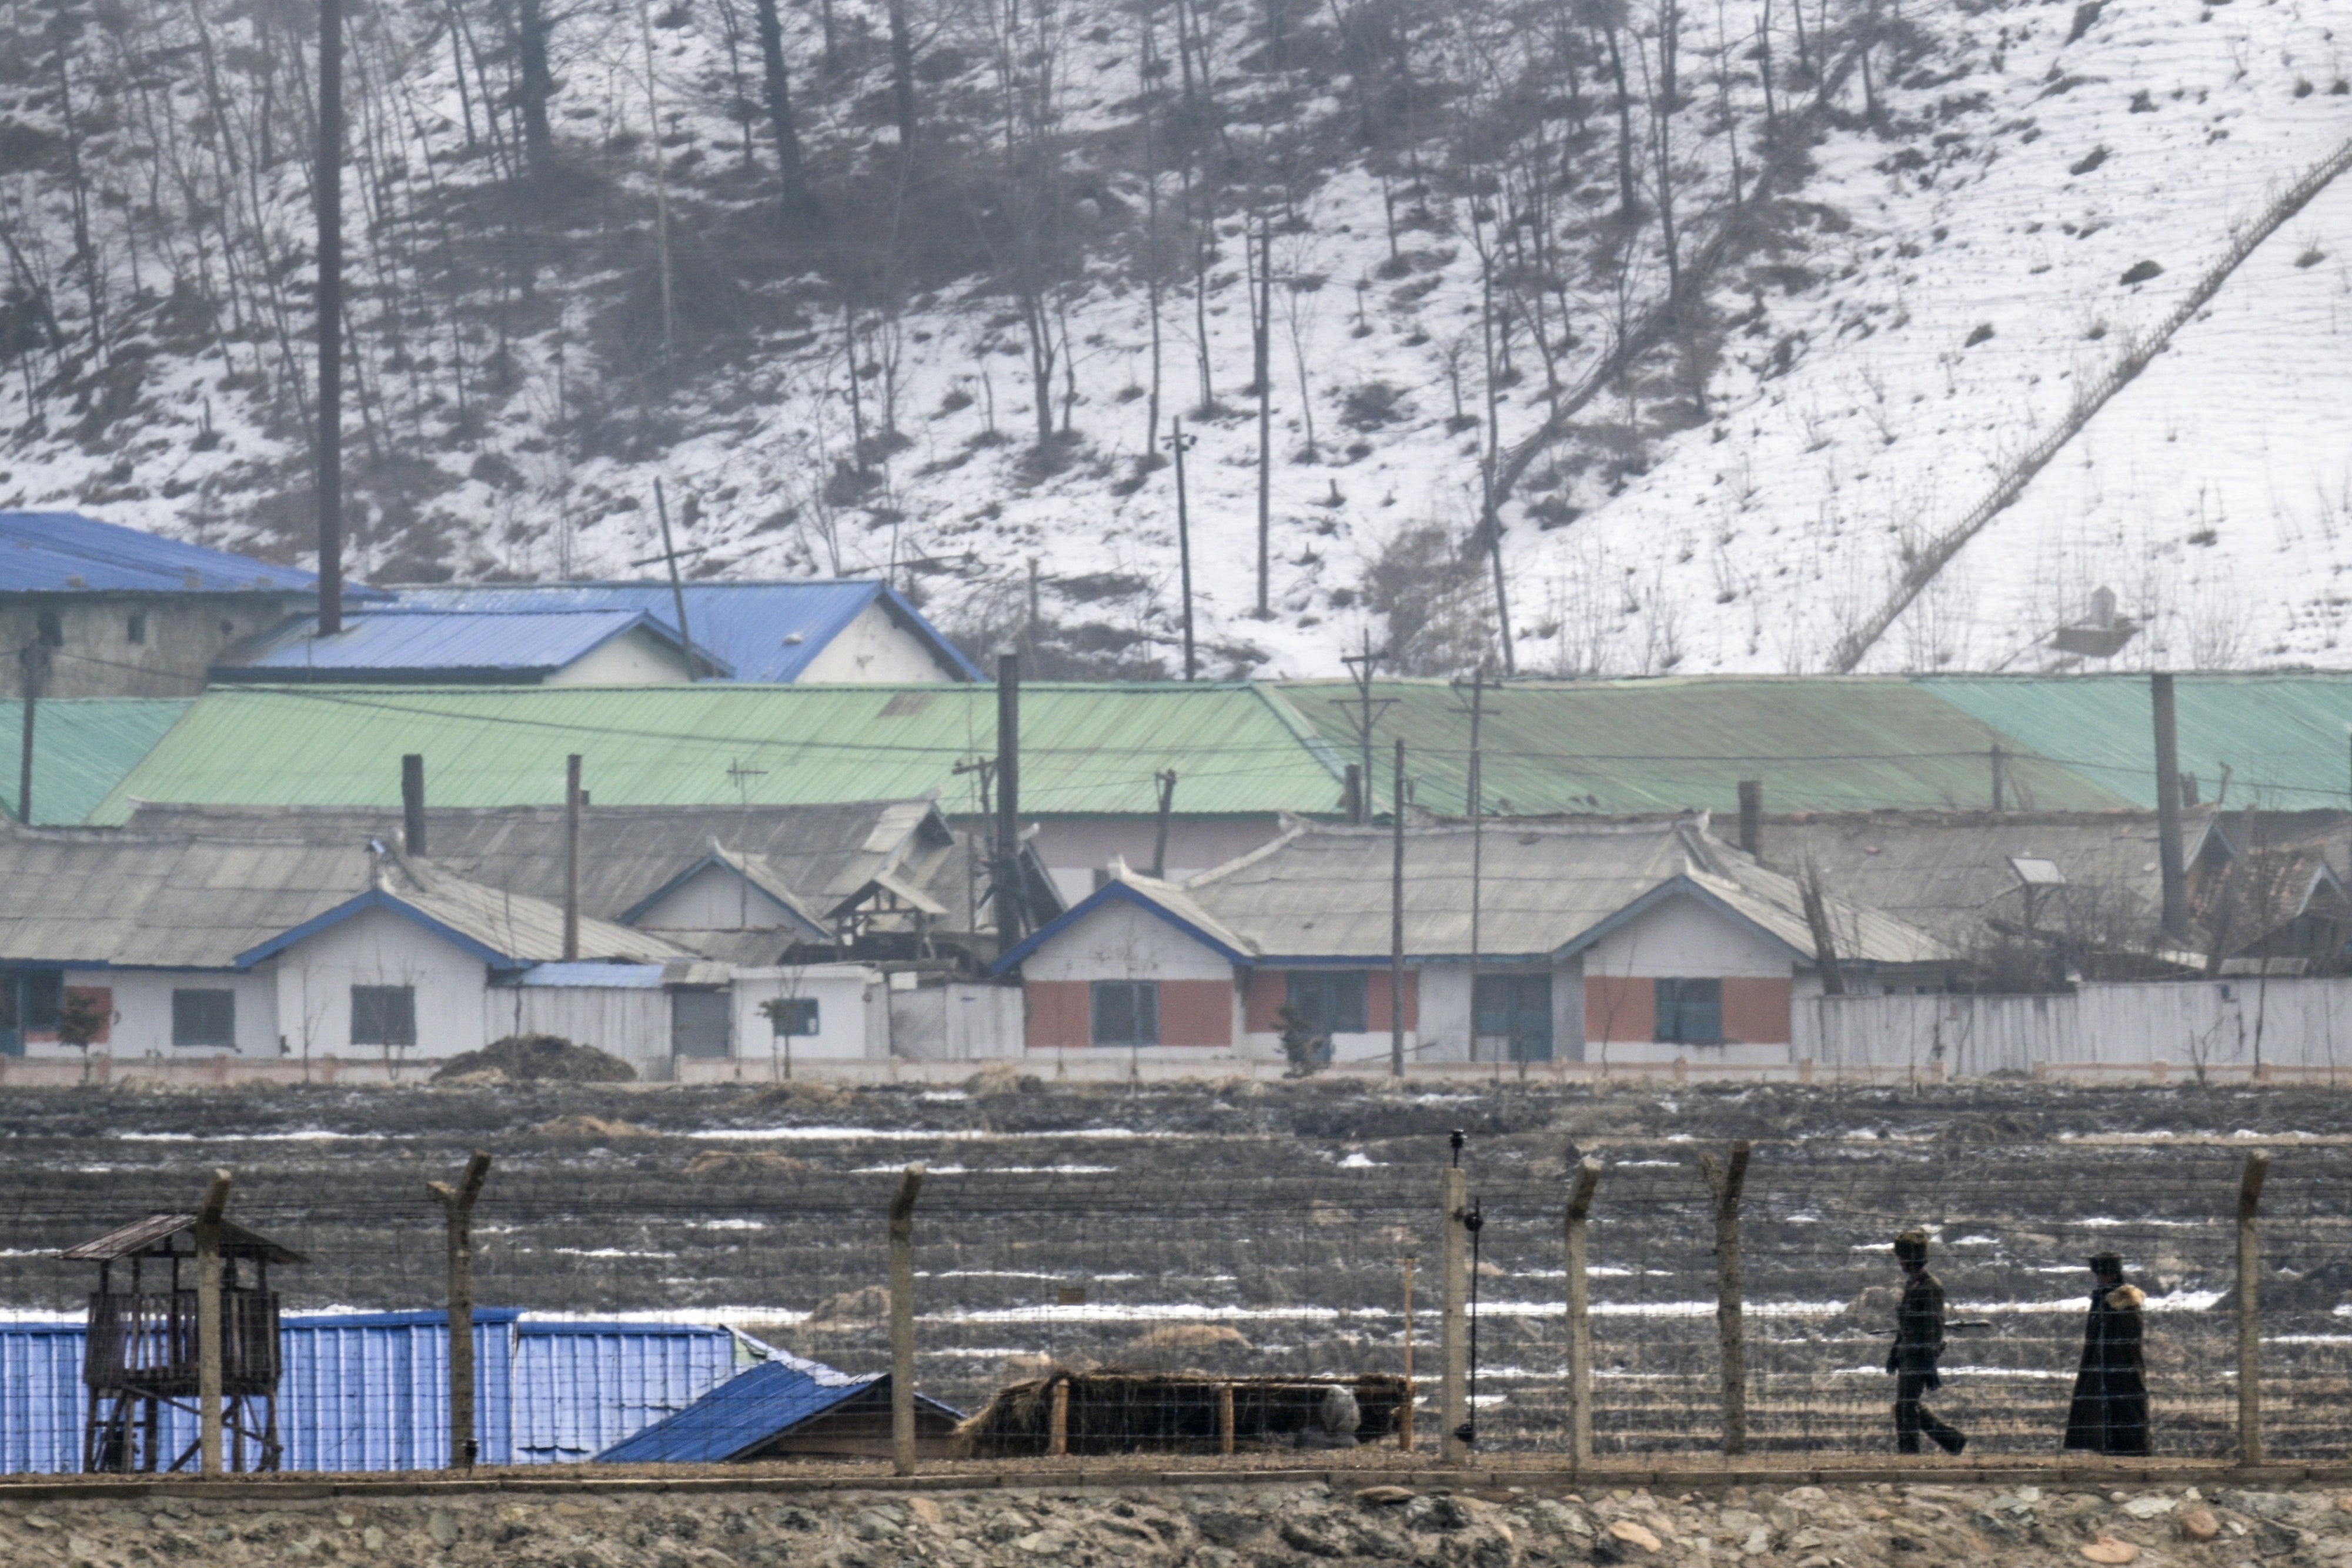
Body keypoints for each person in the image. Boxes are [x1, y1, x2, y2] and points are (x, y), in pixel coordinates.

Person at [1886, 1229, 1966, 1455]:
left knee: (1906, 1407)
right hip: (1907, 1354)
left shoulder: (1930, 1288)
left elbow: (1934, 1328)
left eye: (1902, 1259)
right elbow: (1905, 1326)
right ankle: (1952, 1440)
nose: (1900, 1263)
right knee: (1906, 1406)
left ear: (1910, 1260)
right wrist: (1894, 1352)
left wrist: (1929, 1362)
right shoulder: (1913, 1286)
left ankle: (1909, 1456)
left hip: (1920, 1356)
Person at [2063, 1251, 2149, 1455]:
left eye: (2102, 1275)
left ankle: (2129, 1451)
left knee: (2124, 1410)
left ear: (2111, 1275)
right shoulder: (2104, 1299)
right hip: (2101, 1366)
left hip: (2121, 1369)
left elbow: (2126, 1341)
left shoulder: (2123, 1302)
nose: (2099, 1279)